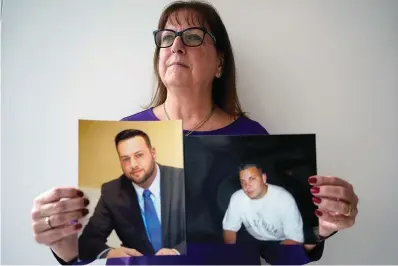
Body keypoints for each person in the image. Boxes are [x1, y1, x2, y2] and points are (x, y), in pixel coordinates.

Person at [31, 1, 359, 265]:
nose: (175, 45)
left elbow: (276, 252)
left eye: (192, 36)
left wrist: (319, 230)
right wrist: (65, 248)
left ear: (219, 63)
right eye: (166, 37)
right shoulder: (123, 134)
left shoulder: (251, 137)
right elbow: (96, 250)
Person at [77, 129, 186, 261]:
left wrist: (177, 252)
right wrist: (109, 254)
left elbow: (204, 232)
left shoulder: (183, 180)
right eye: (125, 159)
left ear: (153, 153)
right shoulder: (112, 192)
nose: (133, 165)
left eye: (139, 155)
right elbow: (88, 241)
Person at [222, 163, 304, 246]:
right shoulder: (237, 197)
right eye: (243, 182)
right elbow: (229, 229)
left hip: (279, 241)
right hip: (252, 238)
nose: (247, 186)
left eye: (252, 179)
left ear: (264, 178)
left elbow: (295, 239)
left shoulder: (284, 199)